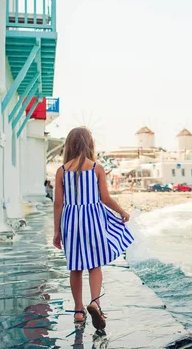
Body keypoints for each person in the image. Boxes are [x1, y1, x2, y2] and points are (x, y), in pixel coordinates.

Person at [53, 127, 134, 329]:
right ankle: (96, 302)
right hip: (93, 219)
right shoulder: (96, 168)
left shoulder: (61, 171)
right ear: (89, 144)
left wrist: (57, 231)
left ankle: (79, 311)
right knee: (94, 264)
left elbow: (58, 204)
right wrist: (122, 212)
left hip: (71, 221)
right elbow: (105, 199)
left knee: (76, 267)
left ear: (69, 145)